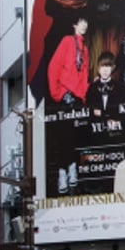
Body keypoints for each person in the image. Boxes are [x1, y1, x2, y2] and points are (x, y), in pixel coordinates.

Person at [47, 17, 90, 194]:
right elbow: (54, 67)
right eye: (81, 22)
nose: (84, 25)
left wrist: (85, 94)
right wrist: (58, 93)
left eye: (86, 23)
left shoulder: (85, 49)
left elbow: (84, 75)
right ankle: (62, 172)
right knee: (63, 137)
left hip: (78, 98)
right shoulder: (66, 41)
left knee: (75, 137)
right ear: (74, 24)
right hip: (65, 97)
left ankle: (72, 168)